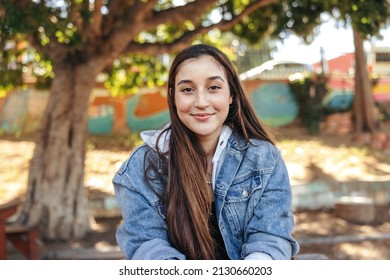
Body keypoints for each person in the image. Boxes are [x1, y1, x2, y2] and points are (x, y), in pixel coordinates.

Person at [113, 44, 300, 260]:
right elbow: (146, 245)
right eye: (187, 90)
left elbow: (271, 237)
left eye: (213, 88)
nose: (201, 102)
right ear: (173, 97)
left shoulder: (265, 159)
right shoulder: (142, 166)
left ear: (231, 94)